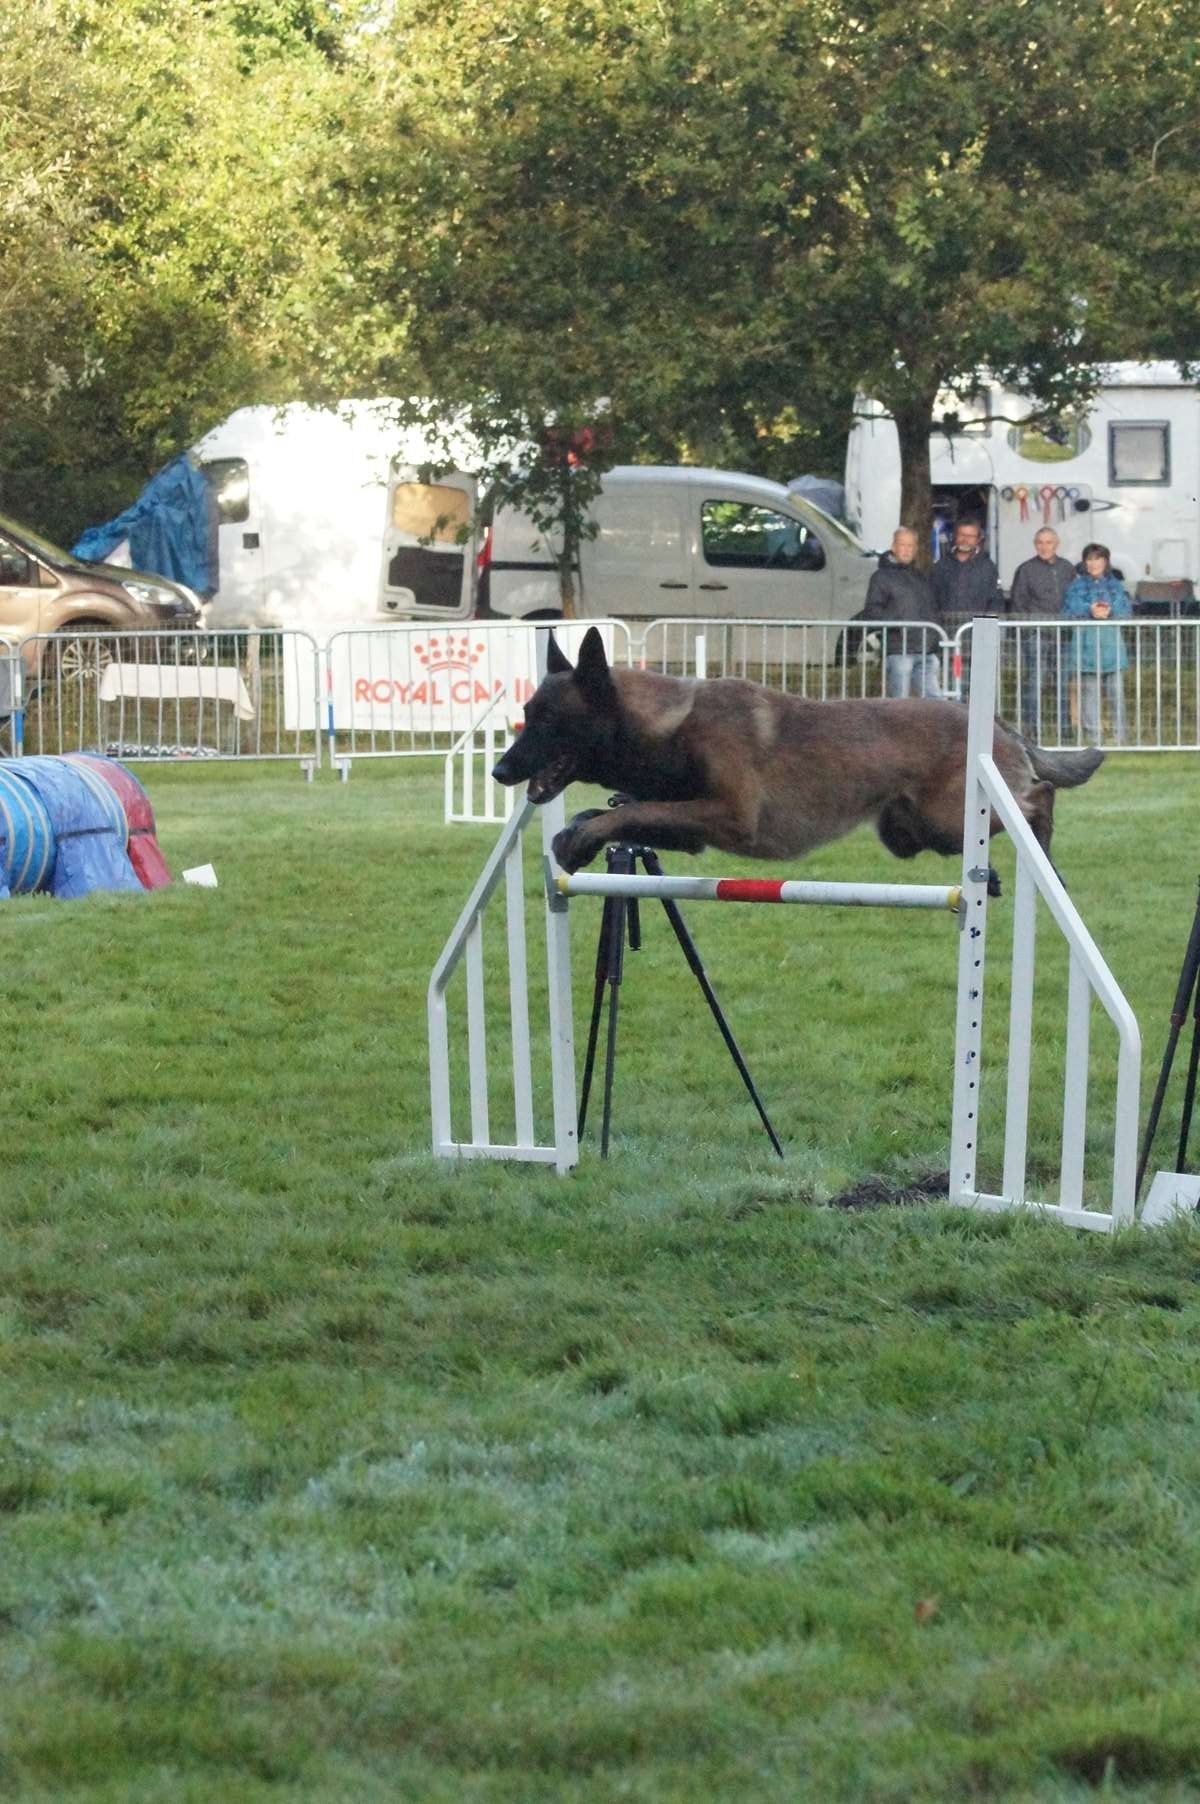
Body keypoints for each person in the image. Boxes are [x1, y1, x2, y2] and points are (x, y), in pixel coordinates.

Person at [1061, 542, 1131, 743]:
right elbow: (1068, 610)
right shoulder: (1076, 586)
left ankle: (1120, 737)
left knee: (1116, 693)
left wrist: (1110, 610)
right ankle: (1094, 737)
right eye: (1089, 559)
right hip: (1085, 645)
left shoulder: (1115, 584)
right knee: (1089, 693)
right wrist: (1089, 609)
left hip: (1112, 645)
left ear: (1106, 561)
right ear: (1084, 562)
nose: (1093, 563)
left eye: (1097, 558)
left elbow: (1125, 609)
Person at [860, 526, 942, 696]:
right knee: (900, 706)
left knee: (936, 703)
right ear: (893, 547)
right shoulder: (881, 577)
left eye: (911, 546)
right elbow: (872, 612)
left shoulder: (921, 577)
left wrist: (934, 639)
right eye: (903, 545)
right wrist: (896, 623)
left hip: (926, 650)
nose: (907, 550)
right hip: (899, 650)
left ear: (916, 549)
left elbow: (931, 609)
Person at [1010, 528, 1075, 737]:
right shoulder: (1026, 570)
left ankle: (1064, 730)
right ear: (1035, 544)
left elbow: (1074, 600)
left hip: (1064, 634)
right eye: (1040, 542)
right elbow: (1018, 604)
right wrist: (1026, 632)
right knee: (1035, 682)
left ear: (1056, 544)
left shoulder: (1067, 569)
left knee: (1063, 682)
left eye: (1048, 542)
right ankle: (1033, 731)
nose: (1044, 546)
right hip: (1037, 634)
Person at [930, 518, 1003, 624]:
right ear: (955, 536)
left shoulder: (988, 567)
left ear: (978, 539)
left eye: (970, 536)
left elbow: (995, 602)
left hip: (979, 630)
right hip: (946, 629)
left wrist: (987, 630)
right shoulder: (942, 565)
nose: (965, 540)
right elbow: (932, 600)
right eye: (962, 535)